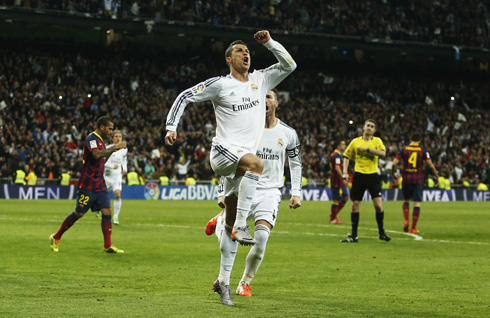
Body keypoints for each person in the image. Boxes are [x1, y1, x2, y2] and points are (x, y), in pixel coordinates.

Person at [165, 30, 296, 250]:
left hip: (242, 162)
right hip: (225, 151)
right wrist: (171, 126)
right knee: (257, 164)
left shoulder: (261, 80)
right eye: (239, 51)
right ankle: (241, 225)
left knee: (229, 216)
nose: (245, 54)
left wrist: (270, 43)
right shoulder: (220, 84)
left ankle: (223, 280)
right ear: (229, 59)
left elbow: (290, 65)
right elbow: (185, 96)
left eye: (247, 51)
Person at [205, 89, 302, 305]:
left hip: (270, 192)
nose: (265, 100)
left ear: (276, 102)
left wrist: (296, 192)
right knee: (229, 237)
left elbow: (295, 163)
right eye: (261, 97)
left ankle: (244, 282)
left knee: (262, 238)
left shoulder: (288, 133)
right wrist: (222, 192)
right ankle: (221, 220)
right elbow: (230, 161)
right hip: (244, 187)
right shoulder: (245, 130)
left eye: (269, 97)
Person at [49, 116, 126, 253]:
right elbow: (96, 155)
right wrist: (114, 148)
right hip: (87, 184)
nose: (111, 132)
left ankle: (107, 244)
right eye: (110, 129)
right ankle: (56, 236)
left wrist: (111, 151)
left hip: (100, 184)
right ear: (102, 127)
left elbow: (102, 157)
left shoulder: (101, 141)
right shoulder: (92, 139)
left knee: (107, 211)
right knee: (79, 213)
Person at [341, 119, 391, 243]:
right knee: (355, 206)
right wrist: (345, 172)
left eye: (372, 126)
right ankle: (354, 236)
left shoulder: (377, 141)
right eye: (368, 125)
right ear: (363, 127)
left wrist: (367, 150)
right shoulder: (355, 141)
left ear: (374, 130)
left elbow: (383, 153)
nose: (369, 128)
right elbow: (346, 156)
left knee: (378, 206)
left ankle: (381, 233)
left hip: (373, 176)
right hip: (359, 176)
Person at [391, 133, 439, 234]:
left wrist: (393, 174)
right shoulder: (422, 150)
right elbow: (430, 165)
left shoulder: (404, 149)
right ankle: (413, 228)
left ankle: (406, 220)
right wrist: (436, 176)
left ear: (410, 139)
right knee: (416, 202)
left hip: (406, 178)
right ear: (420, 141)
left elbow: (394, 163)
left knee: (406, 200)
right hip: (418, 178)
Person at [102, 129, 128, 225]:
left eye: (119, 137)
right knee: (99, 195)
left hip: (117, 176)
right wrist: (112, 166)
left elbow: (124, 159)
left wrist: (124, 168)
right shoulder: (107, 149)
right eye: (116, 136)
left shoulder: (124, 149)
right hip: (107, 176)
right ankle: (97, 208)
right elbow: (101, 163)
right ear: (112, 138)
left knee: (117, 194)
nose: (118, 138)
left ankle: (116, 216)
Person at [329, 139, 349, 224]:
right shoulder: (336, 155)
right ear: (338, 146)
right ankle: (332, 218)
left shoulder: (337, 154)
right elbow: (337, 168)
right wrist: (343, 177)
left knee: (346, 197)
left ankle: (334, 214)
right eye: (343, 145)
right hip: (336, 180)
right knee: (336, 200)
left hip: (339, 180)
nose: (344, 146)